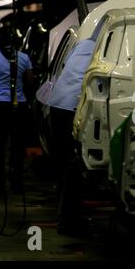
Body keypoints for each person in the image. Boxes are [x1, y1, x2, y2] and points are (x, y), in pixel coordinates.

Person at [46, 38, 96, 236]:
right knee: (74, 164)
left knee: (64, 162)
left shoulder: (83, 43)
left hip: (57, 102)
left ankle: (65, 213)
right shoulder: (102, 45)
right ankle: (68, 221)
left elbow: (65, 67)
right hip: (70, 105)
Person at [0, 23, 34, 194]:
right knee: (16, 146)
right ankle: (16, 183)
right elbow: (30, 81)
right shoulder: (23, 57)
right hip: (18, 105)